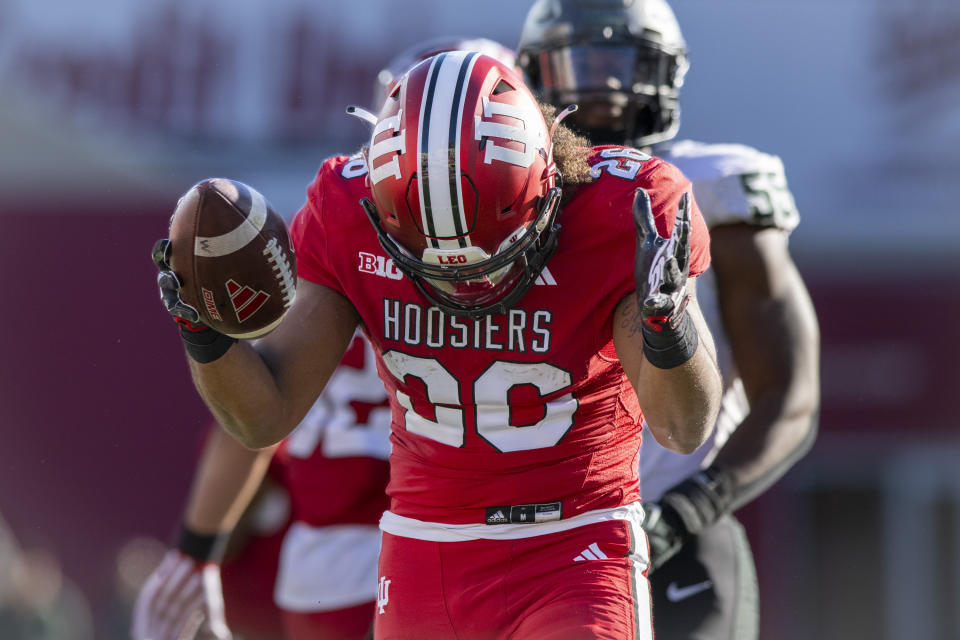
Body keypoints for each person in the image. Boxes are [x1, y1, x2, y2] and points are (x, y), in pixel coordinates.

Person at [152, 51, 723, 639]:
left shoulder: (617, 212)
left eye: (494, 257)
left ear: (547, 182)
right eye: (434, 267)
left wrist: (667, 324)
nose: (466, 286)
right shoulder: (344, 212)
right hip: (425, 553)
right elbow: (264, 417)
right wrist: (205, 335)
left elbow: (682, 428)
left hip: (574, 544)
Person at [133, 38, 516, 640]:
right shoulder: (346, 221)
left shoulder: (342, 215)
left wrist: (196, 548)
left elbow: (259, 417)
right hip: (463, 539)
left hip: (344, 554)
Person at [518, 1, 822, 637]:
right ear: (536, 74)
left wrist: (692, 508)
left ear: (662, 71)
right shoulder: (504, 199)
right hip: (540, 540)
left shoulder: (711, 186)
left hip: (674, 532)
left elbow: (791, 396)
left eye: (619, 63)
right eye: (579, 63)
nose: (600, 87)